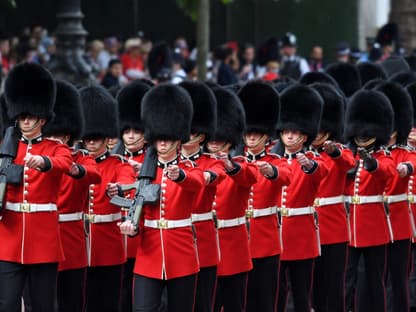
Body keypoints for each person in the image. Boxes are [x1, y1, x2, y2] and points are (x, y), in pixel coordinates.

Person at [119, 83, 205, 311]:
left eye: (168, 138)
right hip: (149, 255)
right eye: (159, 138)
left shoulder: (189, 167)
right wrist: (132, 227)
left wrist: (180, 176)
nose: (163, 142)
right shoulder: (143, 171)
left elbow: (197, 182)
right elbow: (137, 209)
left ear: (179, 138)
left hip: (182, 254)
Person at [0, 62, 72, 311]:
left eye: (30, 116)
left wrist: (44, 162)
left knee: (42, 305)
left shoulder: (55, 148)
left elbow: (64, 163)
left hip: (43, 240)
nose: (26, 121)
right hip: (9, 238)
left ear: (42, 118)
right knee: (7, 303)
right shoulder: (6, 149)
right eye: (22, 116)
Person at [42, 80, 102, 312]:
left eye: (61, 136)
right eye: (52, 135)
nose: (56, 141)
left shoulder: (81, 159)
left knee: (72, 299)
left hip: (72, 239)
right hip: (42, 237)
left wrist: (76, 170)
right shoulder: (35, 159)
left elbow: (94, 175)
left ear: (69, 136)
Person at [80, 85, 136, 312]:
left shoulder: (118, 164)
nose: (91, 143)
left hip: (109, 246)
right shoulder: (78, 164)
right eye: (87, 138)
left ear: (106, 137)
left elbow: (126, 180)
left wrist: (119, 189)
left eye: (96, 138)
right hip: (81, 244)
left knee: (108, 302)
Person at [238, 80, 291, 312]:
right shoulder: (236, 162)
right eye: (248, 132)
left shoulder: (276, 161)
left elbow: (285, 176)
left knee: (265, 299)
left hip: (266, 239)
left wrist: (272, 173)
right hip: (240, 239)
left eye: (256, 133)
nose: (251, 137)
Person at [275, 84, 327, 312]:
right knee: (277, 293)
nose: (289, 135)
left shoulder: (313, 159)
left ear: (304, 135)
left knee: (301, 294)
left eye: (294, 132)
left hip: (301, 234)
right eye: (286, 131)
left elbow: (319, 172)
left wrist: (309, 165)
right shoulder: (273, 158)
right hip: (277, 234)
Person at [343, 89, 396, 311]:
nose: (362, 136)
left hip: (373, 226)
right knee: (346, 279)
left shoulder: (384, 155)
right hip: (349, 224)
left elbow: (388, 172)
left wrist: (371, 163)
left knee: (375, 279)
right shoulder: (350, 155)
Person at [206, 86, 257, 312]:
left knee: (235, 303)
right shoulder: (197, 166)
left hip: (233, 246)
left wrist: (231, 166)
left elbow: (248, 178)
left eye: (221, 138)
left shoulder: (241, 165)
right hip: (206, 245)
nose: (215, 141)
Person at [179, 80, 226, 312]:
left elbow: (215, 175)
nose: (188, 135)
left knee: (204, 300)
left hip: (204, 237)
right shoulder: (166, 162)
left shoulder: (212, 161)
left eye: (194, 131)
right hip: (176, 239)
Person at [309, 83, 356, 312]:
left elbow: (348, 163)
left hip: (333, 228)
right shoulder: (301, 155)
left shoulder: (338, 150)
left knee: (334, 286)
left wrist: (333, 151)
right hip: (307, 227)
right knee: (311, 288)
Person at [373, 81, 415, 312]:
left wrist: (405, 170)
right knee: (375, 276)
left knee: (398, 278)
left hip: (398, 222)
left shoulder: (405, 153)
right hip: (374, 223)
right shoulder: (371, 154)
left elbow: (411, 165)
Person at [113, 79, 151, 312]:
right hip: (117, 241)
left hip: (144, 240)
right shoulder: (114, 159)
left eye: (136, 131)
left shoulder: (152, 162)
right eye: (126, 131)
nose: (130, 136)